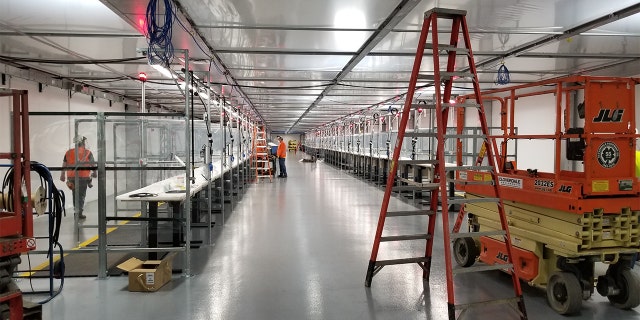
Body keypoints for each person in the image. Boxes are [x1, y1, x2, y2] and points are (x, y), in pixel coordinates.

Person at [60, 136, 97, 219]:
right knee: (81, 195)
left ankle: (76, 211)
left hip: (71, 177)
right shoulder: (87, 152)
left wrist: (62, 175)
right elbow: (93, 164)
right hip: (83, 177)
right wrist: (95, 173)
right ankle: (79, 212)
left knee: (75, 195)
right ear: (83, 143)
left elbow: (64, 165)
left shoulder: (68, 152)